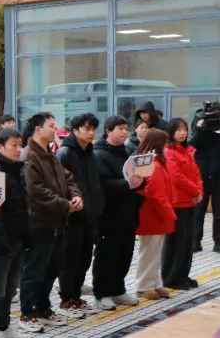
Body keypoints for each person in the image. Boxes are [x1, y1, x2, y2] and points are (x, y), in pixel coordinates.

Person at [19, 113, 83, 333]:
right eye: (51, 126)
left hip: (57, 221)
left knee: (53, 268)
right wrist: (66, 204)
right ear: (38, 129)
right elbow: (36, 192)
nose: (55, 130)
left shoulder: (49, 154)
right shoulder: (29, 156)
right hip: (39, 223)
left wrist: (75, 196)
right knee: (34, 270)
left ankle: (43, 308)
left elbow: (68, 178)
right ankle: (27, 313)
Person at [0, 128, 33, 338]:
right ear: (0, 147)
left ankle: (5, 326)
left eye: (19, 144)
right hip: (0, 239)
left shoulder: (15, 168)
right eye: (13, 144)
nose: (18, 149)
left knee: (11, 288)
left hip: (17, 236)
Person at [93, 116, 145, 310]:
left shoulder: (127, 152)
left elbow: (136, 176)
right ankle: (102, 293)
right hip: (108, 215)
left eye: (125, 128)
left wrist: (141, 180)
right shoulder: (99, 154)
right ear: (108, 130)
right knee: (107, 255)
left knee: (125, 253)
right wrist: (127, 184)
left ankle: (118, 289)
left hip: (128, 213)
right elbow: (103, 185)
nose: (124, 132)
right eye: (119, 128)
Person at [55, 113, 104, 318]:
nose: (91, 132)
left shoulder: (90, 152)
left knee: (84, 258)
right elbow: (61, 185)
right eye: (86, 128)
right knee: (70, 259)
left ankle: (76, 296)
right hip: (73, 215)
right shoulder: (65, 153)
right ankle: (67, 299)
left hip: (90, 214)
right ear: (75, 131)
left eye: (93, 128)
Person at [162, 118, 203, 290]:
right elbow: (176, 177)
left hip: (191, 201)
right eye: (178, 130)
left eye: (185, 129)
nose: (182, 133)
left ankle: (183, 274)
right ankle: (171, 277)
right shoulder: (169, 151)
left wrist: (199, 192)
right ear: (171, 132)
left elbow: (196, 174)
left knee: (187, 241)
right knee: (176, 241)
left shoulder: (186, 151)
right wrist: (195, 192)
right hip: (178, 201)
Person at [136, 129, 177, 300]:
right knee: (149, 251)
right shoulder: (151, 163)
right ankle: (144, 285)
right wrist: (170, 213)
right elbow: (156, 193)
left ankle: (155, 282)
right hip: (152, 213)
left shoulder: (150, 160)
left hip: (154, 213)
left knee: (154, 251)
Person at [191, 110, 220, 253]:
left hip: (218, 175)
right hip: (201, 175)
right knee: (198, 210)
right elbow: (191, 144)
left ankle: (218, 242)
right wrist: (199, 128)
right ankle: (195, 242)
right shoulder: (199, 122)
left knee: (218, 211)